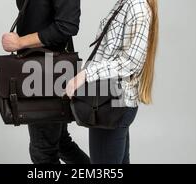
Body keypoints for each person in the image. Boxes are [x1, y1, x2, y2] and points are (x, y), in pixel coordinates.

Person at [66, 0, 159, 164]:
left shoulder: (137, 7)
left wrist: (86, 74)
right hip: (111, 101)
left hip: (112, 103)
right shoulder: (125, 3)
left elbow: (131, 62)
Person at [1, 0, 90, 164]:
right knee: (60, 143)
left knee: (43, 152)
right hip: (40, 70)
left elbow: (67, 26)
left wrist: (20, 42)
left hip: (47, 72)